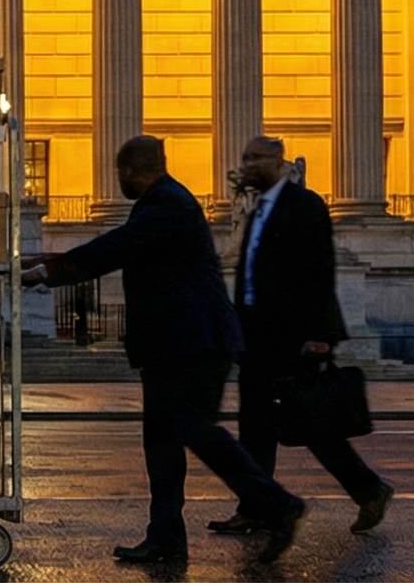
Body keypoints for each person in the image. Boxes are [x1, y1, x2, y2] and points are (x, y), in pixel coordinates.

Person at [23, 135, 306, 565]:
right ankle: (166, 537)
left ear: (132, 171)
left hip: (197, 343)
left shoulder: (168, 204)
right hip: (173, 345)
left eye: (120, 174)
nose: (119, 181)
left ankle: (276, 502)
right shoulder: (161, 203)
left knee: (192, 427)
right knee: (161, 443)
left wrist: (47, 270)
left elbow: (112, 248)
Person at [217, 136, 395, 535]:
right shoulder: (259, 207)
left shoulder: (305, 204)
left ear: (278, 162)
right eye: (243, 157)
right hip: (257, 337)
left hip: (292, 336)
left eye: (254, 158)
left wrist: (320, 334)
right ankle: (256, 508)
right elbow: (250, 276)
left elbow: (319, 270)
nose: (245, 165)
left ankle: (370, 490)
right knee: (255, 429)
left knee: (313, 425)